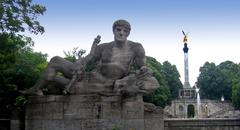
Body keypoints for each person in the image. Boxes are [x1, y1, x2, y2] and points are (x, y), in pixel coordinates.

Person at [22, 19, 159, 96]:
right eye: (118, 30)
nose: (121, 33)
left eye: (125, 31)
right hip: (90, 75)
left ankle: (49, 83)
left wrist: (145, 69)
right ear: (113, 31)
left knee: (55, 78)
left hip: (105, 84)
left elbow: (143, 67)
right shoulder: (104, 46)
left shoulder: (136, 47)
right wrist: (79, 64)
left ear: (129, 33)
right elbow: (89, 58)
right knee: (56, 60)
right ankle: (36, 89)